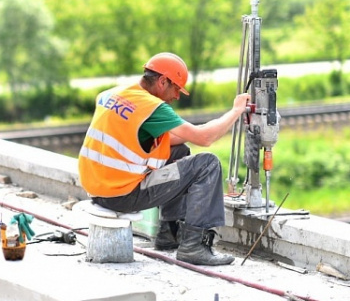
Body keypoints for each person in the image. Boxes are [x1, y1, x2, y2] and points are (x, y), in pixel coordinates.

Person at [77, 52, 250, 266]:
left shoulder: (113, 94)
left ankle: (170, 233)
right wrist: (236, 111)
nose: (176, 96)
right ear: (162, 81)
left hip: (97, 188)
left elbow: (154, 139)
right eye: (176, 88)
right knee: (207, 164)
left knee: (180, 152)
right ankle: (194, 247)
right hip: (122, 195)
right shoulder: (151, 107)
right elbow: (205, 138)